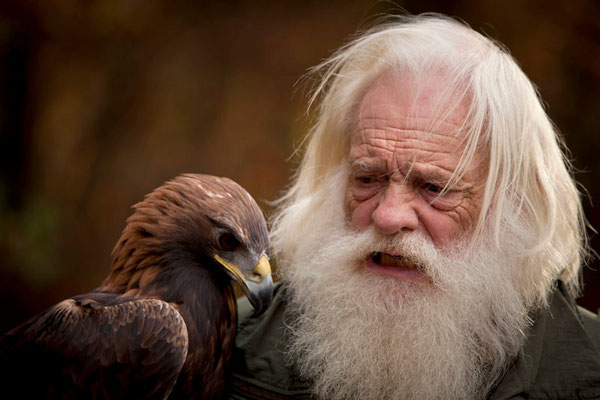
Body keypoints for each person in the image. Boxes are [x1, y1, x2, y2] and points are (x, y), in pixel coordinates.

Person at [225, 14, 600, 400]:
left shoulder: (588, 376)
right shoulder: (222, 351)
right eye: (368, 178)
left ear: (516, 208)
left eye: (435, 187)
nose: (388, 216)